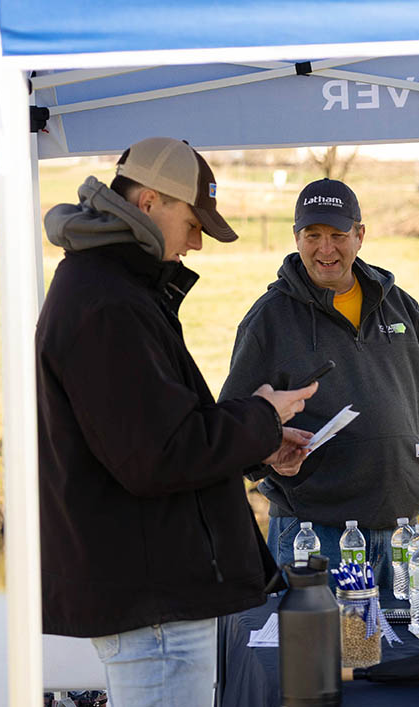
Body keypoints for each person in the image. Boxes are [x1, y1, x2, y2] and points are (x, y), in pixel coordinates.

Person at [37, 136, 319, 705]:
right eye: (193, 223)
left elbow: (153, 434)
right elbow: (159, 455)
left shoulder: (108, 288)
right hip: (154, 605)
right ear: (148, 202)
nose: (196, 243)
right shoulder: (109, 304)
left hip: (152, 597)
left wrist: (260, 441)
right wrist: (262, 415)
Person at [219, 178, 419, 590]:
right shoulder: (269, 319)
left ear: (360, 235)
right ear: (296, 238)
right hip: (314, 536)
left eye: (338, 235)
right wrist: (268, 457)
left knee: (411, 635)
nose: (325, 249)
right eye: (313, 236)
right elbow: (232, 424)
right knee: (320, 636)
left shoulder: (399, 306)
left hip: (402, 532)